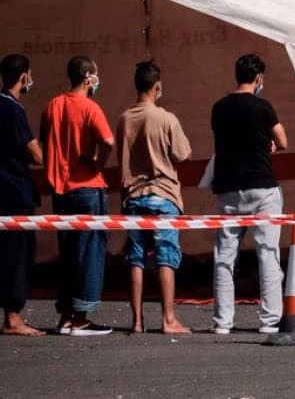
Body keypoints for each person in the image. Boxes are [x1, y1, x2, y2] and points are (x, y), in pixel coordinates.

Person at [210, 54, 287, 335]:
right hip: (262, 187)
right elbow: (282, 140)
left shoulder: (219, 108)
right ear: (258, 78)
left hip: (229, 188)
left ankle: (223, 321)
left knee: (224, 256)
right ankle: (270, 320)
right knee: (268, 253)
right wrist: (269, 144)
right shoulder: (263, 107)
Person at [116, 62, 192, 334]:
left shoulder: (124, 119)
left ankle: (137, 321)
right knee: (165, 255)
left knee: (135, 257)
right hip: (163, 195)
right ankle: (168, 319)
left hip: (134, 196)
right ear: (157, 86)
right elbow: (183, 154)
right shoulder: (166, 118)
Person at [41, 55, 114, 336]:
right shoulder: (90, 108)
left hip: (61, 189)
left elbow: (46, 142)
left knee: (69, 252)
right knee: (90, 251)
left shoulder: (53, 105)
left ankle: (66, 316)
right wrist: (97, 163)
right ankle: (81, 317)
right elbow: (107, 141)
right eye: (96, 75)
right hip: (88, 187)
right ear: (88, 79)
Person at [0, 55, 44, 337]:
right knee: (18, 256)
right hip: (14, 192)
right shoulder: (12, 109)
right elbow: (34, 153)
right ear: (24, 77)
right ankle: (13, 317)